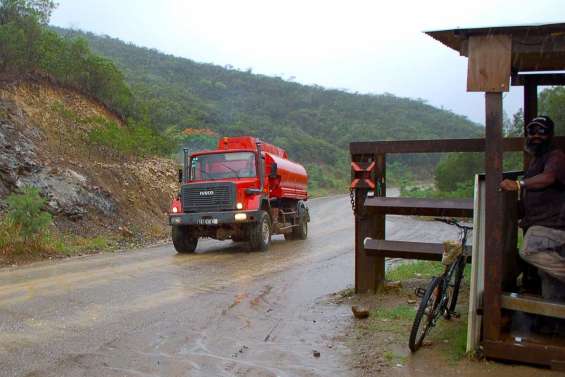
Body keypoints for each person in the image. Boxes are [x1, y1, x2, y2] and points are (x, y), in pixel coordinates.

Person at [500, 115, 565, 301]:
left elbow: (548, 178)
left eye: (541, 131)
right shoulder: (537, 160)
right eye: (532, 131)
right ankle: (552, 324)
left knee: (529, 250)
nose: (536, 135)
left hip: (554, 226)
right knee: (549, 276)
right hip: (540, 224)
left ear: (550, 134)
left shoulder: (556, 157)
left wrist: (518, 184)